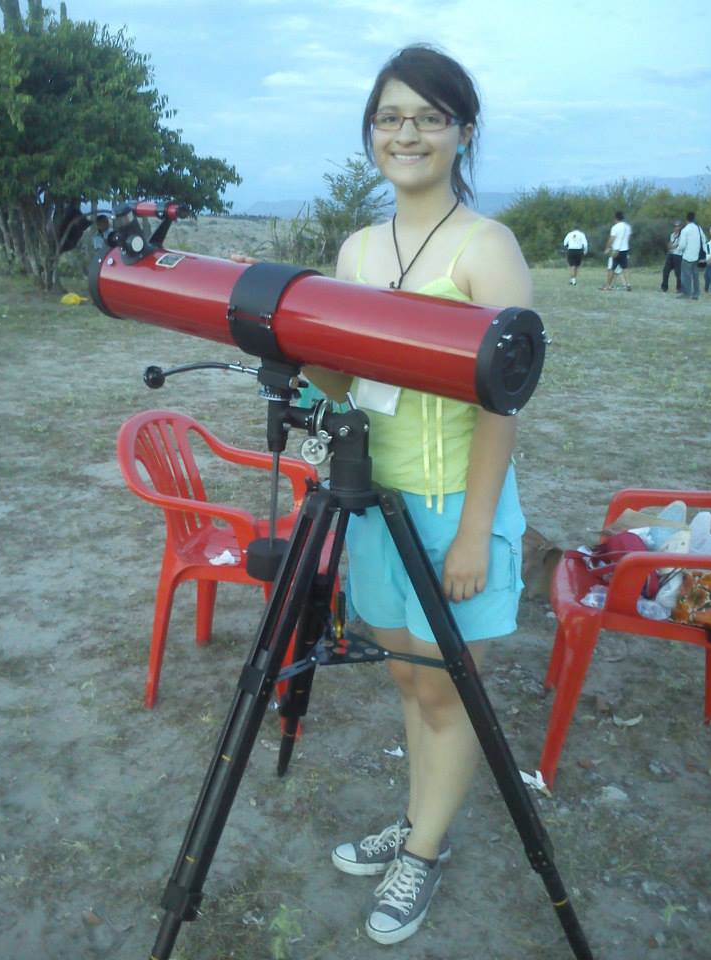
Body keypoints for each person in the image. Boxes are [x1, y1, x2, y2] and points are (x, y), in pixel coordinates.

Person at [298, 44, 529, 945]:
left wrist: (474, 534)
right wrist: (280, 324)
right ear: (370, 134)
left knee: (448, 690)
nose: (408, 133)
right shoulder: (357, 249)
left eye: (429, 117)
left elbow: (503, 407)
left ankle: (423, 853)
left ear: (461, 132)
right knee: (406, 674)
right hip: (372, 505)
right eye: (391, 117)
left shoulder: (487, 247)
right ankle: (420, 820)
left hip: (447, 507)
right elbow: (345, 385)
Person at [601, 211, 632, 291]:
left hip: (616, 250)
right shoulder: (627, 227)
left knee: (612, 268)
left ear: (615, 218)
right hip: (625, 249)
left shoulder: (615, 227)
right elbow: (628, 238)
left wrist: (607, 247)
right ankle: (628, 284)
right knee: (625, 267)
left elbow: (612, 239)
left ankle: (608, 285)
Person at [677, 211, 704, 301]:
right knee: (695, 275)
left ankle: (686, 293)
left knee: (685, 275)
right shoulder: (698, 228)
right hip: (696, 256)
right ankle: (696, 293)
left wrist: (679, 249)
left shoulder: (685, 230)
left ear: (686, 219)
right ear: (694, 219)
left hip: (687, 255)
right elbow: (703, 240)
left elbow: (682, 245)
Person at [660, 220, 683, 293]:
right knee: (665, 271)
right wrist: (671, 246)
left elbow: (678, 245)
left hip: (678, 255)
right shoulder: (672, 235)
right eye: (675, 226)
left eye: (678, 226)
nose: (676, 228)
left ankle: (679, 288)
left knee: (678, 273)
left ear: (680, 227)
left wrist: (672, 246)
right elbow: (669, 245)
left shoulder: (682, 235)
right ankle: (664, 287)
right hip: (670, 255)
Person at [704, 225, 711, 296]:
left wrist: (710, 259)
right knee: (706, 275)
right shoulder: (709, 242)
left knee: (710, 275)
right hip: (708, 261)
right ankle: (706, 289)